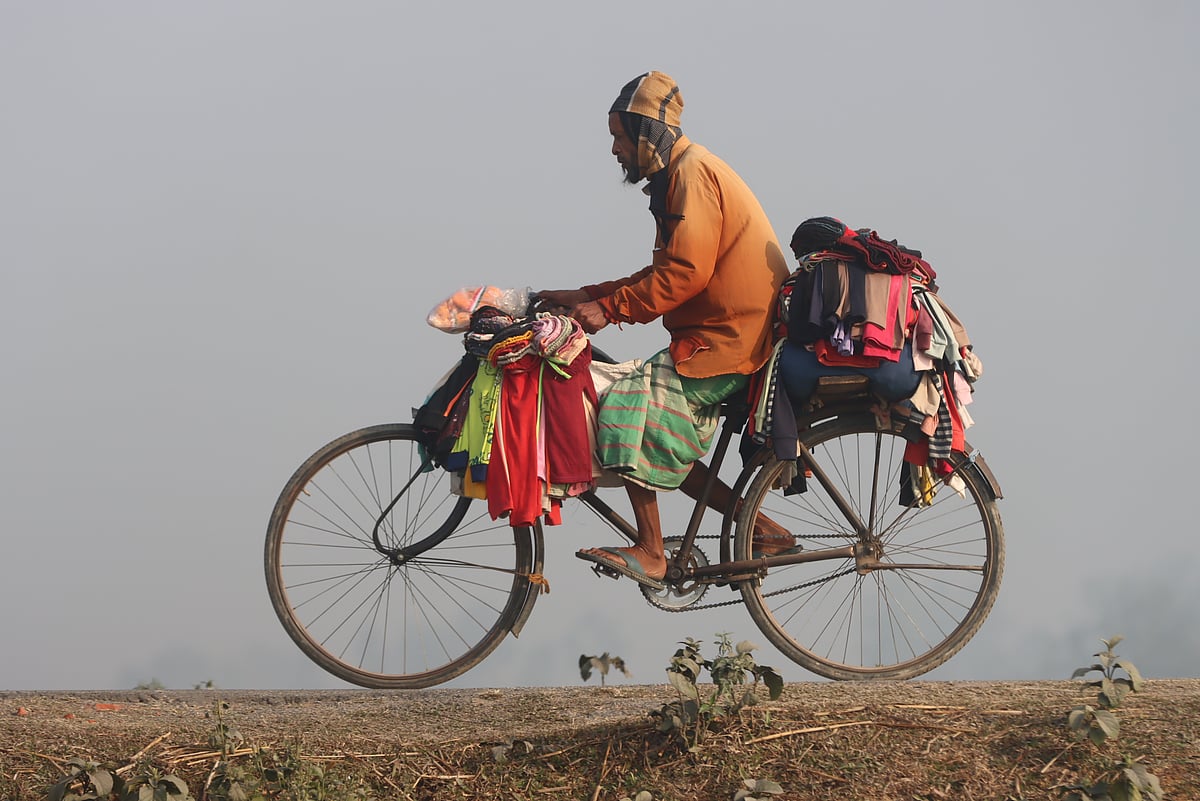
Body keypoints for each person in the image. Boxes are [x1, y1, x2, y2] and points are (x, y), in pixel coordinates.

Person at [536, 71, 793, 588]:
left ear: (647, 134)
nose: (614, 149)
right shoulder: (682, 173)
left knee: (627, 407)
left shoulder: (691, 175)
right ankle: (761, 527)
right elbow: (667, 269)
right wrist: (589, 295)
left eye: (620, 137)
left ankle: (652, 552)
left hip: (729, 342)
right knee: (659, 434)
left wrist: (611, 310)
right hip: (716, 336)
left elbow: (685, 275)